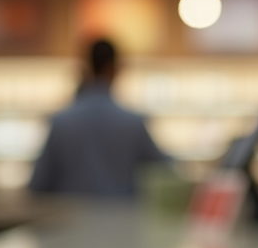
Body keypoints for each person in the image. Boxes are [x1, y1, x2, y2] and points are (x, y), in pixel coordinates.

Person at [28, 39, 170, 197]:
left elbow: (38, 183)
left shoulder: (61, 122)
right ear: (115, 69)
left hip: (70, 219)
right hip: (123, 218)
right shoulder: (133, 123)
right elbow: (165, 170)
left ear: (85, 67)